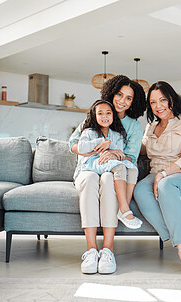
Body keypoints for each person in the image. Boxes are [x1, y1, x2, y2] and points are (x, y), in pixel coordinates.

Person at [133, 81, 181, 278]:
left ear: (172, 100)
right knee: (140, 190)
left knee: (166, 184)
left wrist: (164, 173)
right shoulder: (151, 127)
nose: (158, 106)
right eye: (152, 102)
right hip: (157, 174)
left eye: (162, 100)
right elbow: (142, 149)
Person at [69, 75, 145, 274]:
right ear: (111, 93)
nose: (122, 101)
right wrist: (97, 148)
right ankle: (91, 250)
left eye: (128, 98)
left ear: (133, 102)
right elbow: (73, 145)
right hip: (87, 169)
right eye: (119, 94)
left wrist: (112, 152)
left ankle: (108, 250)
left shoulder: (134, 127)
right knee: (90, 178)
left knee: (109, 177)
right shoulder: (94, 116)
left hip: (112, 169)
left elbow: (130, 158)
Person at [76, 99, 142, 229]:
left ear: (113, 115)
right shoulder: (88, 132)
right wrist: (101, 142)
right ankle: (123, 208)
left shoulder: (116, 134)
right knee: (120, 167)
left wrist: (112, 149)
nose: (105, 116)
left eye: (108, 113)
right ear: (94, 116)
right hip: (94, 162)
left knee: (133, 169)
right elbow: (81, 148)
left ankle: (124, 208)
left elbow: (120, 154)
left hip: (109, 162)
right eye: (100, 113)